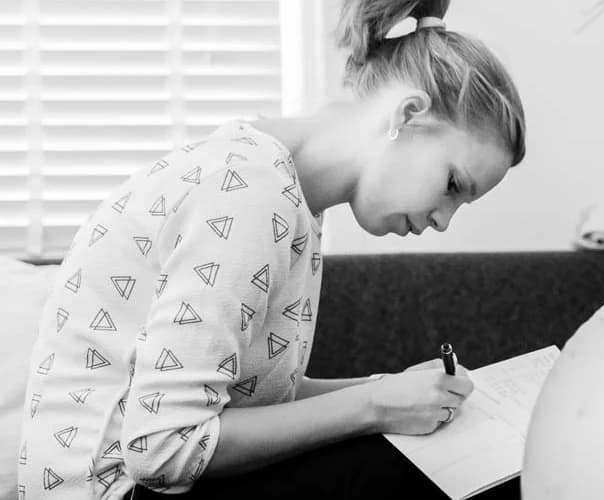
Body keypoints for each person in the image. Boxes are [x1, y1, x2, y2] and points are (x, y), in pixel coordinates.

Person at [16, 0, 526, 497]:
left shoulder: (287, 195)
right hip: (114, 490)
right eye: (454, 184)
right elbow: (164, 448)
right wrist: (374, 405)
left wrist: (384, 388)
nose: (443, 220)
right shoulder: (251, 193)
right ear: (407, 115)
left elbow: (244, 396)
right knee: (434, 471)